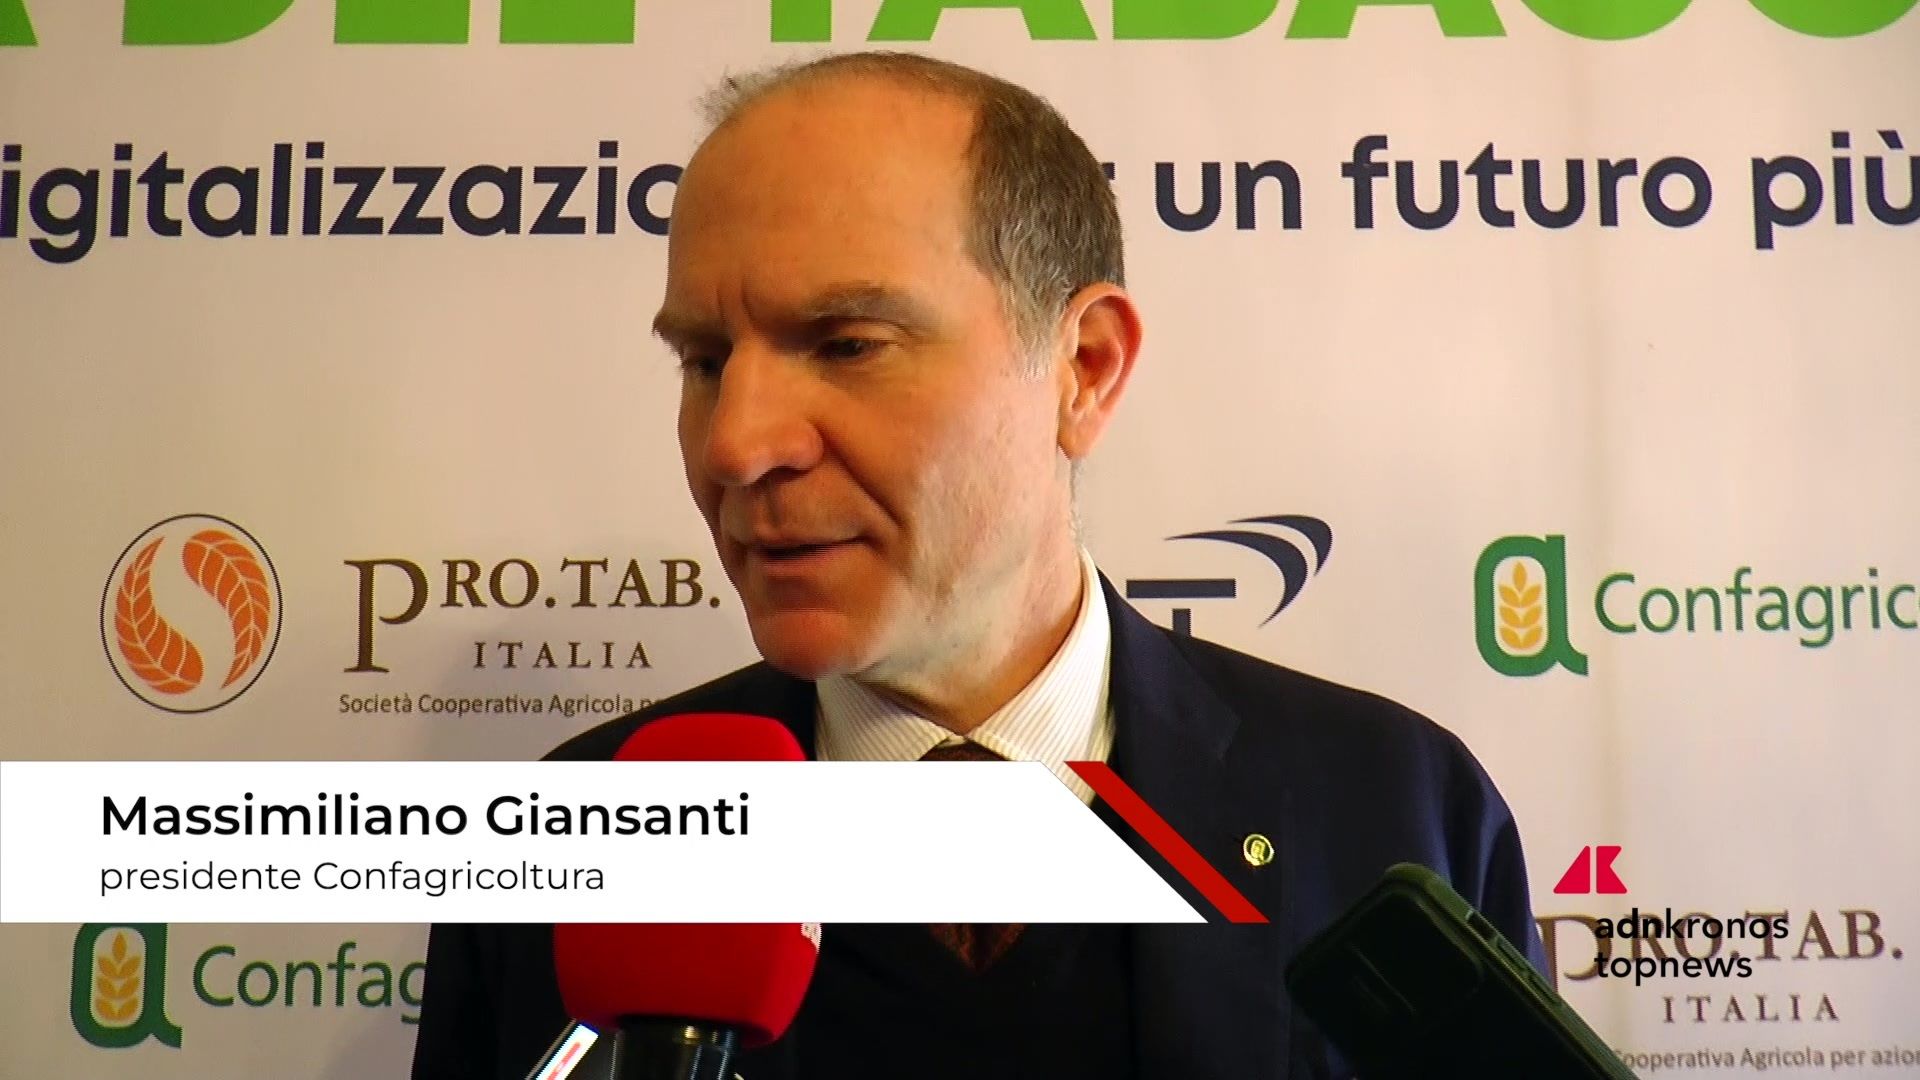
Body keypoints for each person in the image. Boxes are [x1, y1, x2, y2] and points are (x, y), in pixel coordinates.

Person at [411, 50, 1545, 1080]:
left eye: (847, 345)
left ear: (1084, 370)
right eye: (704, 362)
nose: (736, 446)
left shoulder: (1390, 804)